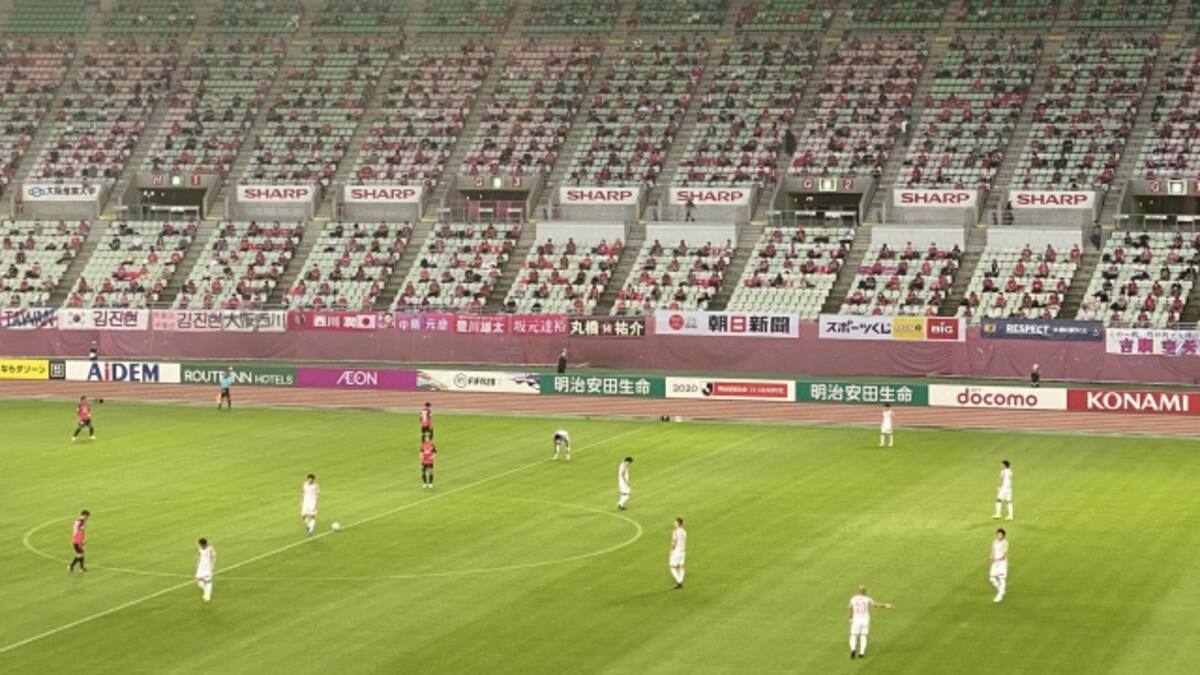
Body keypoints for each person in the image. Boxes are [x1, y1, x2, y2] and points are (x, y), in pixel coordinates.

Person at [848, 586, 893, 659]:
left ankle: (853, 649)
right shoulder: (867, 599)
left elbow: (850, 608)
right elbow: (876, 605)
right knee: (863, 636)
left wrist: (850, 618)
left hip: (856, 620)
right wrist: (885, 605)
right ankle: (861, 653)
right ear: (864, 591)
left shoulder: (853, 598)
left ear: (858, 591)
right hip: (865, 620)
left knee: (853, 635)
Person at [989, 529, 1008, 603]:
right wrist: (991, 557)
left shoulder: (1005, 543)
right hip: (995, 562)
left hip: (1002, 563)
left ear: (1003, 535)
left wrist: (998, 559)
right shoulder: (994, 542)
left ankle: (999, 595)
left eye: (1001, 535)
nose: (999, 536)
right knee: (992, 579)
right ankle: (1001, 590)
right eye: (998, 534)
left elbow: (1004, 555)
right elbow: (993, 551)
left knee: (1001, 578)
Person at [669, 517, 687, 589]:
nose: (674, 523)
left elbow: (674, 542)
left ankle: (680, 581)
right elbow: (685, 542)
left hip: (677, 550)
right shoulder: (684, 531)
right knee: (680, 566)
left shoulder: (675, 531)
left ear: (678, 523)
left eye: (675, 522)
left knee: (672, 567)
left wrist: (672, 550)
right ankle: (679, 583)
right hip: (683, 550)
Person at [196, 538, 216, 603]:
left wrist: (212, 565)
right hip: (201, 567)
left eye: (200, 544)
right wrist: (198, 563)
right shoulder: (199, 548)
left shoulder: (210, 548)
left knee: (208, 581)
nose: (199, 545)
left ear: (203, 544)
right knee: (199, 582)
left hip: (208, 567)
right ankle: (206, 593)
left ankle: (207, 596)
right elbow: (199, 555)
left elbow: (214, 556)